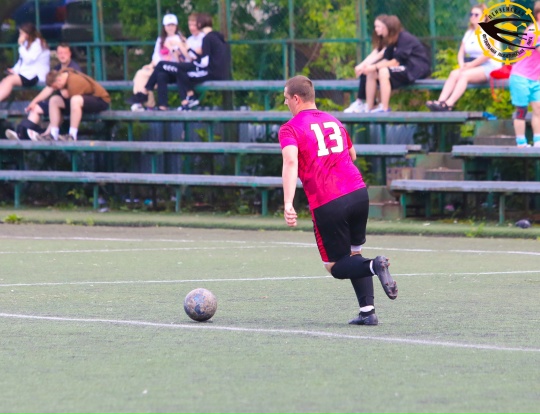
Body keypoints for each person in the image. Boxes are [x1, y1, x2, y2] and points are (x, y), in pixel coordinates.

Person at [279, 75, 398, 325]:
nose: (286, 103)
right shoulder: (334, 120)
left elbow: (290, 162)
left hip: (329, 201)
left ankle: (374, 266)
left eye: (286, 99)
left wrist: (288, 203)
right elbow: (352, 155)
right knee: (354, 253)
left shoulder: (290, 128)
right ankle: (368, 312)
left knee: (334, 266)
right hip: (358, 193)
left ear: (296, 98)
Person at [426, 4, 500, 111]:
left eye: (476, 14)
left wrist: (470, 66)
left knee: (464, 75)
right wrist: (462, 65)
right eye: (471, 14)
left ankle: (449, 104)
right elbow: (461, 52)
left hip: (491, 66)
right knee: (454, 73)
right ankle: (440, 102)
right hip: (473, 66)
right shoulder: (469, 33)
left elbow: (489, 54)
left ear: (484, 17)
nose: (473, 17)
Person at [5, 43, 83, 141]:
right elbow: (49, 88)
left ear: (70, 53)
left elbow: (68, 93)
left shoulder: (74, 68)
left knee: (55, 106)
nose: (62, 55)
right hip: (56, 101)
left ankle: (44, 135)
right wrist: (34, 102)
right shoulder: (57, 68)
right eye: (60, 53)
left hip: (68, 104)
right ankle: (21, 134)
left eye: (65, 53)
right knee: (35, 108)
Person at [127, 13, 194, 111]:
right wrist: (151, 65)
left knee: (160, 68)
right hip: (160, 69)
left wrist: (173, 48)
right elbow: (156, 56)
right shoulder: (160, 40)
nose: (170, 28)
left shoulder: (180, 39)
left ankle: (144, 94)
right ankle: (148, 103)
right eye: (168, 25)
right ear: (164, 27)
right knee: (142, 74)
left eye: (172, 25)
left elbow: (182, 60)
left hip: (174, 70)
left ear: (176, 26)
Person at [364, 15, 430, 112]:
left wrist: (375, 67)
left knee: (383, 72)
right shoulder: (391, 41)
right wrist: (368, 67)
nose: (379, 30)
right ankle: (368, 108)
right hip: (403, 68)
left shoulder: (404, 38)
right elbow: (386, 60)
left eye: (383, 27)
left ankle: (384, 108)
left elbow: (395, 63)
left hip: (414, 69)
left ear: (390, 29)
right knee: (371, 73)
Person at [174, 12, 231, 111]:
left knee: (181, 72)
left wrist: (189, 51)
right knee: (182, 69)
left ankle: (190, 99)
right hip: (221, 72)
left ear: (200, 24)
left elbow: (204, 62)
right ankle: (190, 98)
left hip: (213, 73)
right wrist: (190, 51)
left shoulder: (207, 38)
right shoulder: (217, 37)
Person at [36, 68, 110, 141]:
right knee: (54, 100)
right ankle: (53, 134)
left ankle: (72, 135)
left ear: (59, 80)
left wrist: (65, 93)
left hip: (99, 100)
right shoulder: (62, 73)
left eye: (55, 87)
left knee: (75, 100)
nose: (56, 89)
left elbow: (72, 100)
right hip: (81, 100)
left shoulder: (74, 82)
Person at [344, 15, 393, 113]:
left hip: (390, 68)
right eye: (375, 26)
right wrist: (362, 65)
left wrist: (364, 66)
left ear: (385, 26)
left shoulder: (392, 39)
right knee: (365, 70)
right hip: (381, 67)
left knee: (368, 70)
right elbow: (375, 52)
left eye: (378, 26)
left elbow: (380, 55)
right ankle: (363, 103)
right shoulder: (381, 38)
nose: (376, 29)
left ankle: (363, 103)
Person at [510, 1, 540, 148]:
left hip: (535, 78)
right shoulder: (534, 31)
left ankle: (538, 141)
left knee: (538, 109)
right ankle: (521, 143)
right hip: (521, 77)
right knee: (522, 111)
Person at [0, 23, 50, 103]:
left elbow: (28, 59)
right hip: (27, 75)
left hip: (36, 77)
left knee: (10, 80)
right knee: (5, 80)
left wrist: (21, 46)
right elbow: (21, 61)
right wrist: (14, 70)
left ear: (27, 34)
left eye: (22, 33)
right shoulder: (27, 43)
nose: (20, 36)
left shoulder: (38, 44)